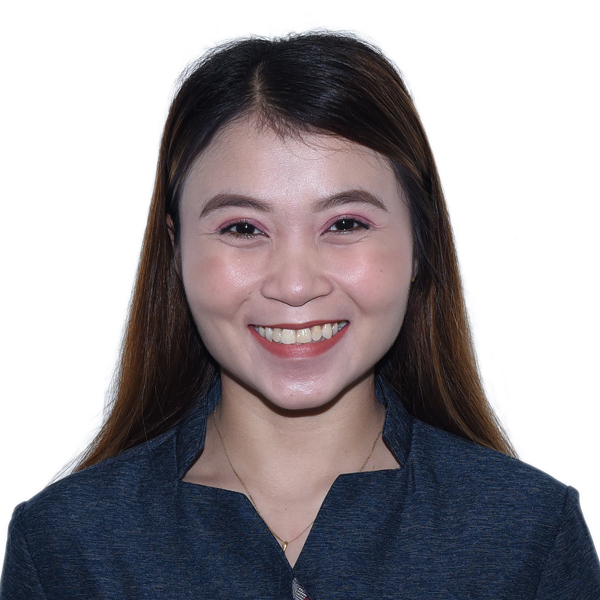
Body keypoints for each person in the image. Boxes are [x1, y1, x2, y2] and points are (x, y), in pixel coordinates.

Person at [1, 31, 599, 599]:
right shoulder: (64, 548)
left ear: (421, 244)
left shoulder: (530, 536)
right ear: (176, 249)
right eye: (242, 228)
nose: (294, 284)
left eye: (346, 224)